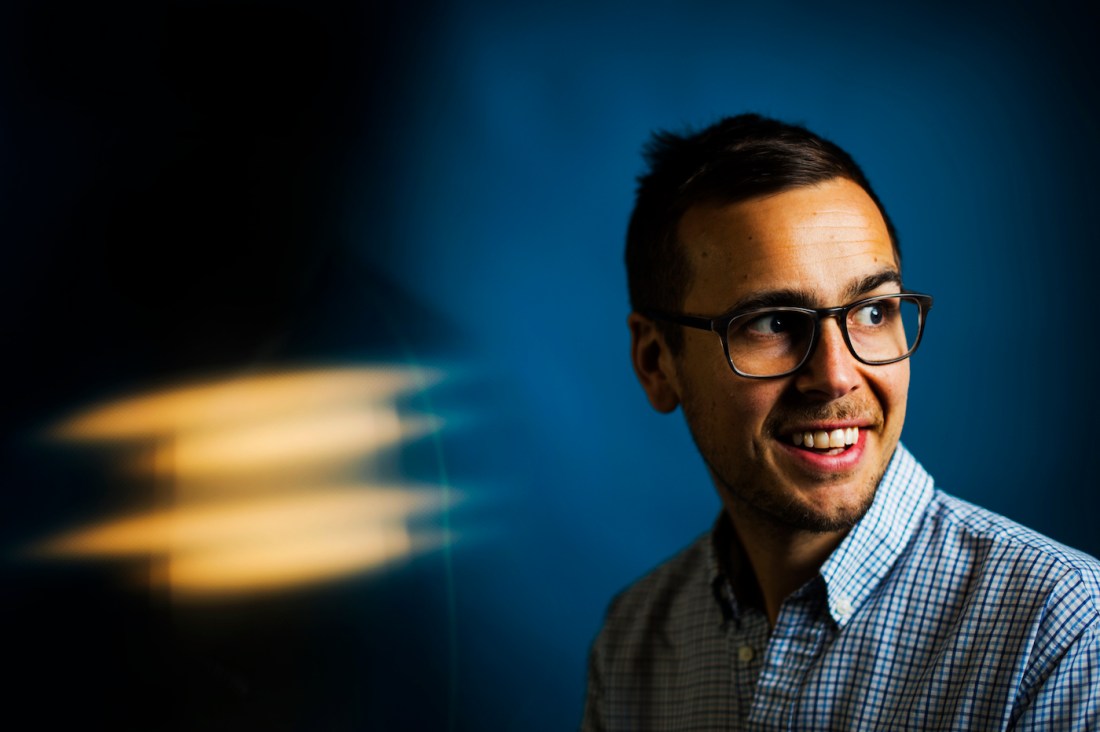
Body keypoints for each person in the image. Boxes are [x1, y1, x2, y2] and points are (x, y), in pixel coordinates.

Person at [582, 114, 1100, 730]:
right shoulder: (634, 640)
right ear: (655, 363)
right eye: (772, 323)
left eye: (874, 311)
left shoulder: (1061, 630)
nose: (835, 375)